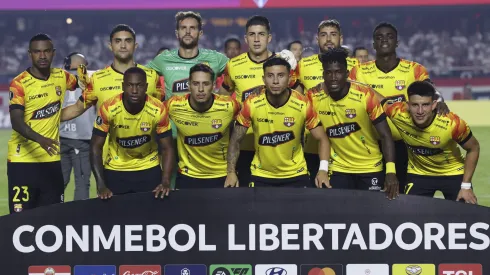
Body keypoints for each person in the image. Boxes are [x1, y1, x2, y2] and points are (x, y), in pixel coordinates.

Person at [349, 22, 450, 193]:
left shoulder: (414, 69)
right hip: (372, 145)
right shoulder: (358, 71)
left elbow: (429, 89)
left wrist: (439, 100)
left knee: (404, 196)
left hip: (406, 143)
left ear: (397, 42)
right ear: (373, 44)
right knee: (374, 197)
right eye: (379, 37)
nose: (384, 40)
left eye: (389, 36)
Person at [225, 57, 331, 188]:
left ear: (289, 79)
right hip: (260, 175)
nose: (275, 81)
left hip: (296, 175)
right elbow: (235, 139)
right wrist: (230, 172)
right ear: (263, 79)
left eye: (280, 75)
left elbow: (322, 139)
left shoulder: (303, 103)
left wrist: (323, 170)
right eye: (270, 76)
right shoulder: (252, 103)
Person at [308, 48, 398, 199]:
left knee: (371, 217)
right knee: (340, 217)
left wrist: (390, 171)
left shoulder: (365, 95)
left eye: (338, 72)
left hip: (370, 168)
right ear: (323, 75)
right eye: (329, 73)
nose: (333, 77)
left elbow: (385, 134)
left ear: (347, 74)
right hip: (338, 169)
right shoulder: (313, 97)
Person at [8, 33, 78, 213]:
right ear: (29, 54)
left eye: (46, 51)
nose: (42, 56)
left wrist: (84, 72)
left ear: (53, 53)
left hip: (52, 160)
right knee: (20, 221)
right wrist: (40, 139)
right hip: (22, 161)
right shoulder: (19, 83)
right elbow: (16, 121)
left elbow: (82, 83)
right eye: (37, 52)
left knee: (53, 219)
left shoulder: (62, 77)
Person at [377, 81, 479, 204]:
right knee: (408, 217)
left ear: (434, 105)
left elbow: (473, 148)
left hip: (452, 173)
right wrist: (350, 82)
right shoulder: (398, 113)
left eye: (425, 105)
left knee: (465, 217)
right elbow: (377, 98)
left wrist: (466, 186)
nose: (420, 111)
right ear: (407, 105)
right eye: (415, 105)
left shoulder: (452, 123)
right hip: (419, 174)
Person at [90, 67, 174, 199]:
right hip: (116, 170)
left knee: (151, 218)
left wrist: (165, 181)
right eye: (130, 85)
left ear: (146, 87)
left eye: (139, 86)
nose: (134, 91)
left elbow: (167, 148)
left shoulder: (158, 109)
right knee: (116, 219)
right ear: (123, 86)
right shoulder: (108, 108)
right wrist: (101, 185)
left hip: (149, 169)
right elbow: (95, 146)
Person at [293, 19, 359, 186]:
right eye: (324, 35)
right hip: (312, 146)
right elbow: (294, 100)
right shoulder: (303, 65)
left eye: (333, 35)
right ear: (317, 39)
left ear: (341, 39)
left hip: (347, 149)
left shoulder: (356, 65)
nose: (328, 39)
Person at [218, 15, 282, 187]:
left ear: (269, 38)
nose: (256, 39)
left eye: (261, 34)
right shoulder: (234, 65)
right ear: (246, 38)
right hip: (243, 145)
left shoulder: (282, 66)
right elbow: (222, 97)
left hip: (277, 145)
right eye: (252, 35)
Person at [61, 24, 164, 121]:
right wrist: (47, 120)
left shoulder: (152, 76)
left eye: (128, 41)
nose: (123, 46)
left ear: (135, 45)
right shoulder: (96, 79)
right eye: (118, 41)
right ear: (110, 46)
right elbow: (76, 109)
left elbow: (162, 111)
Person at [167, 64, 240, 188]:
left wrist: (232, 172)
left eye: (205, 84)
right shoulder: (173, 105)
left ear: (213, 86)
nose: (201, 89)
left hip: (221, 176)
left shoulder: (230, 106)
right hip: (187, 176)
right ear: (189, 85)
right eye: (196, 84)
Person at [147, 11, 228, 100]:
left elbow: (239, 70)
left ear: (200, 33)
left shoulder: (216, 58)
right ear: (177, 33)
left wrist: (222, 97)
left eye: (192, 28)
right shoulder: (163, 59)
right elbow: (138, 76)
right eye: (183, 28)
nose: (188, 32)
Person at [60, 52, 95, 200]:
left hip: (60, 138)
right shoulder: (91, 78)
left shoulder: (59, 78)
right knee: (81, 182)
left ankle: (50, 215)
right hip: (81, 139)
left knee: (59, 182)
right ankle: (78, 218)